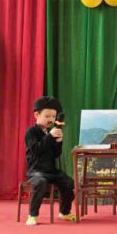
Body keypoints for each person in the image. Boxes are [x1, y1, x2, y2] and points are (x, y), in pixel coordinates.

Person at [24, 96, 75, 225]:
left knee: (68, 182)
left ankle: (64, 212)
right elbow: (36, 150)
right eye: (47, 116)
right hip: (36, 171)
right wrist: (50, 136)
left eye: (53, 116)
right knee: (40, 182)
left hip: (51, 171)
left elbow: (56, 154)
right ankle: (32, 215)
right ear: (37, 115)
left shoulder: (50, 132)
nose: (51, 119)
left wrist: (59, 142)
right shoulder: (31, 132)